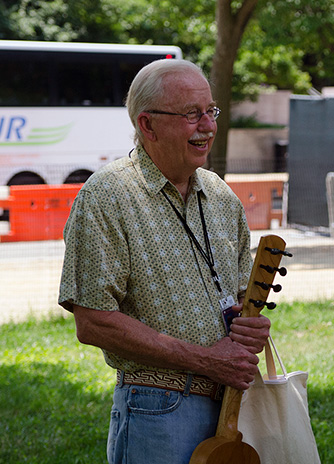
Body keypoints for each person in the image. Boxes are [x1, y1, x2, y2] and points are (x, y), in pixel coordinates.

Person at [58, 59, 271, 464]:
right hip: (157, 409)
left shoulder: (222, 196)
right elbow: (92, 321)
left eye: (211, 110)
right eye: (192, 114)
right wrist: (206, 359)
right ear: (148, 125)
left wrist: (250, 326)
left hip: (231, 405)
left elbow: (241, 297)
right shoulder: (107, 195)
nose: (208, 125)